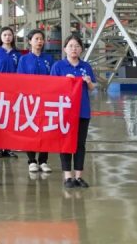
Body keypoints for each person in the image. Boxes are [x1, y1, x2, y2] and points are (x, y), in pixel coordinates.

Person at [51, 34, 95, 189]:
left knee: (80, 144)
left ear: (81, 49)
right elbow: (52, 87)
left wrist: (88, 82)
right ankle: (67, 176)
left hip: (82, 110)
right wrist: (64, 81)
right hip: (65, 111)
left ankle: (78, 176)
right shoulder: (58, 66)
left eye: (77, 46)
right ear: (65, 49)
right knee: (65, 143)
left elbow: (92, 88)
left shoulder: (86, 66)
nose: (74, 49)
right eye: (70, 46)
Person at [17, 29, 55, 173]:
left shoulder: (49, 58)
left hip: (46, 99)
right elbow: (20, 79)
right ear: (30, 41)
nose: (39, 41)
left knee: (45, 129)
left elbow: (54, 77)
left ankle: (43, 160)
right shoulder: (24, 59)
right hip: (30, 99)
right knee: (30, 129)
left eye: (41, 39)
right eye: (36, 39)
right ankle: (32, 160)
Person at [0, 26, 20, 158]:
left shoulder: (17, 54)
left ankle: (9, 147)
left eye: (9, 35)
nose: (7, 37)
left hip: (13, 89)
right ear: (0, 37)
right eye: (5, 35)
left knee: (10, 118)